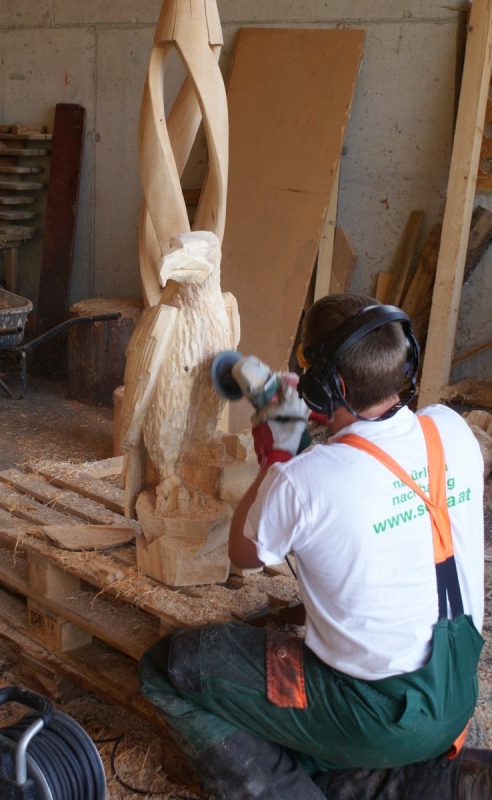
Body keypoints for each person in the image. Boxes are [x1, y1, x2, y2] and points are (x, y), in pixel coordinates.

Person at [139, 293, 490, 799]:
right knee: (305, 744)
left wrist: (277, 457)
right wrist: (302, 441)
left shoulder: (303, 483)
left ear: (329, 385)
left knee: (172, 666)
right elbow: (361, 470)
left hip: (372, 710)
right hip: (453, 697)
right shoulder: (451, 430)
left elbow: (243, 553)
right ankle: (418, 782)